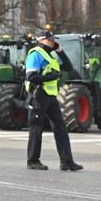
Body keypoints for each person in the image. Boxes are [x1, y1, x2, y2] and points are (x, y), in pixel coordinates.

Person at [25, 32, 83, 171]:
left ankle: (66, 161)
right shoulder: (35, 54)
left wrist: (61, 52)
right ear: (41, 40)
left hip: (50, 96)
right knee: (36, 128)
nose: (52, 42)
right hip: (38, 95)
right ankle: (33, 160)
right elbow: (31, 76)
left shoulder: (52, 55)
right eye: (50, 40)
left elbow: (69, 67)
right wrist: (51, 76)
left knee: (61, 128)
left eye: (53, 40)